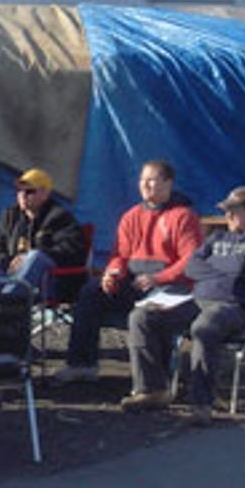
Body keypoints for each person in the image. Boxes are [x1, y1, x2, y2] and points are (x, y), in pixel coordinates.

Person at [121, 184, 245, 425]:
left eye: (234, 211)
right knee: (142, 317)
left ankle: (201, 404)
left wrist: (213, 267)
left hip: (233, 306)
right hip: (196, 300)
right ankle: (152, 390)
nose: (227, 216)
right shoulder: (217, 236)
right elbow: (192, 266)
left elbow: (238, 270)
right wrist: (221, 269)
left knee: (204, 328)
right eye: (227, 211)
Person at [54, 160, 203, 383]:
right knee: (90, 292)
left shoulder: (184, 217)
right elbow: (119, 255)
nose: (145, 185)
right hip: (133, 282)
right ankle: (82, 365)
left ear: (168, 183)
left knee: (146, 313)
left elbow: (191, 260)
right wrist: (112, 273)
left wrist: (157, 278)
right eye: (142, 180)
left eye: (152, 180)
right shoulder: (131, 216)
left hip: (169, 287)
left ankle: (154, 381)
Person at [0, 167, 86, 295]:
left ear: (44, 194)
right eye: (19, 191)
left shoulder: (60, 217)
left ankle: (7, 301)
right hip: (12, 274)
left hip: (50, 281)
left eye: (29, 191)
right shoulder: (10, 216)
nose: (22, 195)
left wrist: (28, 259)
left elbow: (71, 250)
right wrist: (9, 260)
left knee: (36, 257)